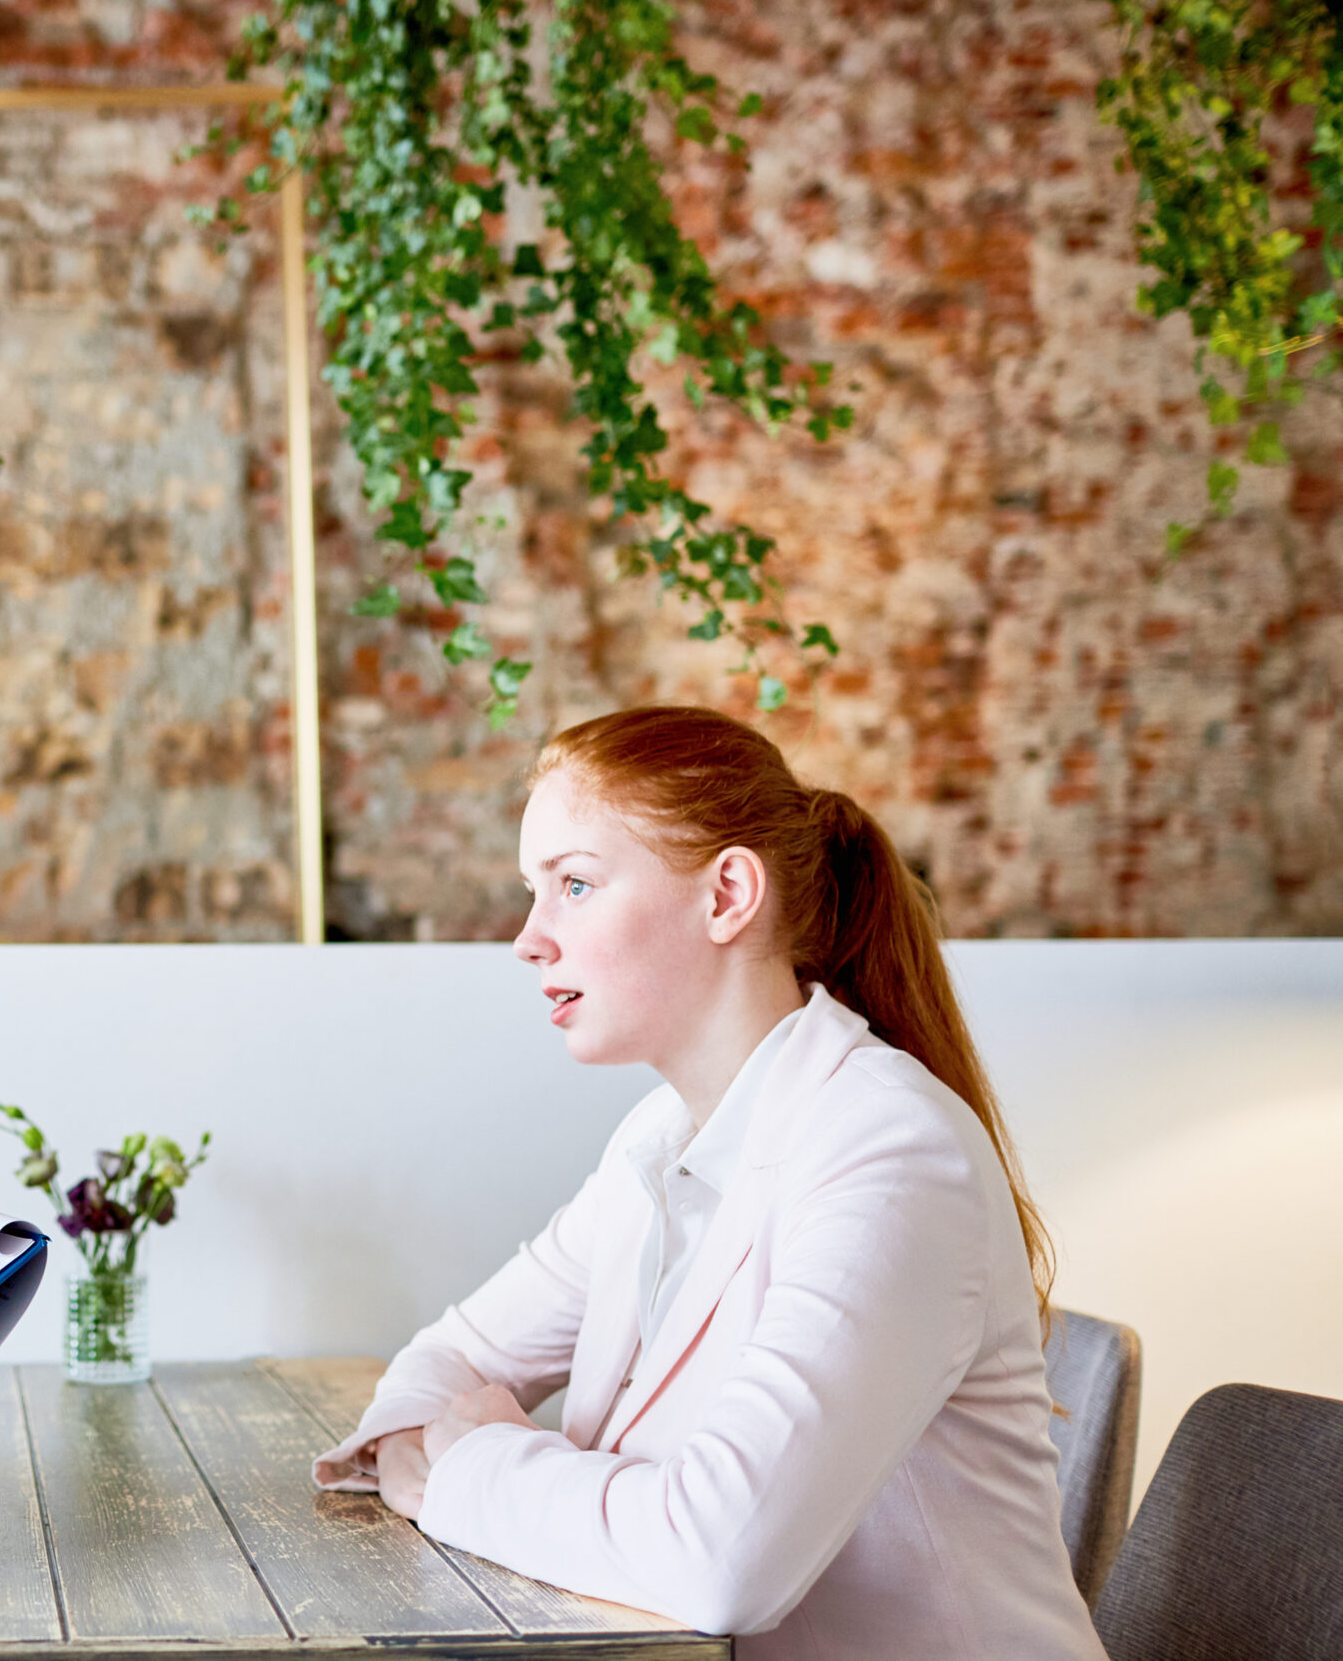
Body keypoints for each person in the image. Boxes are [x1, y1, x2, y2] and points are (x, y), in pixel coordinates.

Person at [312, 706, 1102, 1659]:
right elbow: (440, 1366)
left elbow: (717, 1561)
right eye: (533, 889)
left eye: (574, 884)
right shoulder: (658, 1141)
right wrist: (446, 1453)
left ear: (728, 894)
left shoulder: (891, 1155)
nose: (528, 937)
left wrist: (475, 1465)